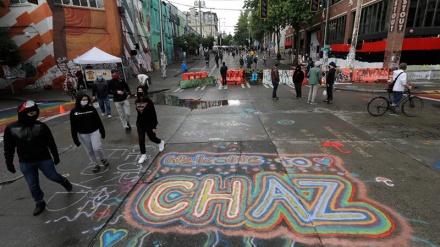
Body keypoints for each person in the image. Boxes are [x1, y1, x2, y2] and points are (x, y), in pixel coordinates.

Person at [4, 100, 73, 216]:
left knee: (53, 176)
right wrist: (9, 162)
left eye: (35, 112)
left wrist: (55, 155)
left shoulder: (41, 126)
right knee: (32, 184)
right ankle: (39, 202)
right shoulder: (11, 128)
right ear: (23, 113)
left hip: (43, 159)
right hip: (26, 162)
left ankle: (63, 181)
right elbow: (8, 147)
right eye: (30, 113)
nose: (34, 115)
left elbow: (50, 142)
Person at [70, 93, 109, 173]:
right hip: (83, 134)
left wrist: (102, 131)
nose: (85, 101)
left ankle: (102, 158)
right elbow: (73, 126)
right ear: (79, 100)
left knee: (96, 148)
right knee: (90, 150)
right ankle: (95, 164)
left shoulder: (92, 109)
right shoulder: (74, 112)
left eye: (86, 100)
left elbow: (98, 121)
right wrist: (75, 139)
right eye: (83, 100)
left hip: (94, 131)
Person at [135, 85, 165, 164]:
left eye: (141, 90)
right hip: (140, 123)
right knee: (141, 139)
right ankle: (143, 154)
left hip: (148, 123)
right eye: (138, 91)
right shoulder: (136, 101)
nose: (140, 92)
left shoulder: (149, 102)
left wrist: (154, 126)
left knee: (151, 137)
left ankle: (160, 142)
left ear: (144, 92)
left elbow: (153, 114)